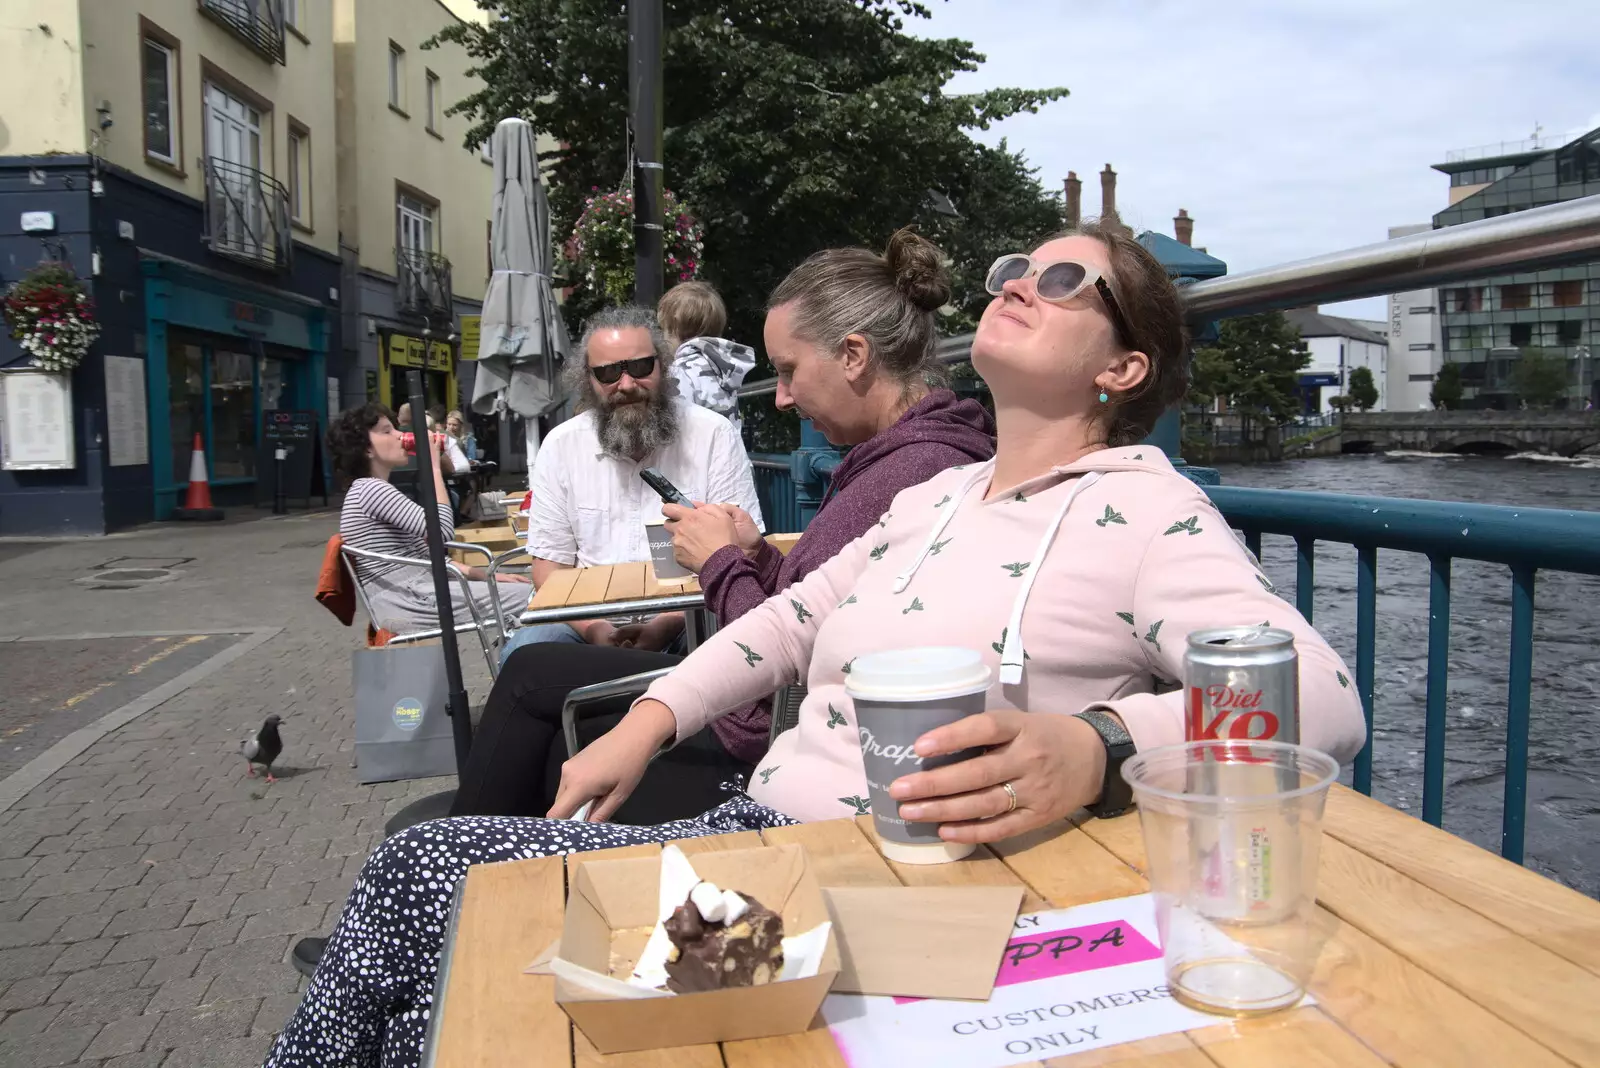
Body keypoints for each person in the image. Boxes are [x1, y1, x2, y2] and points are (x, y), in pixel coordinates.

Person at [264, 224, 1366, 1068]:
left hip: (865, 913)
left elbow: (1317, 696)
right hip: (767, 860)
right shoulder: (934, 494)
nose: (1022, 280)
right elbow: (786, 620)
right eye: (1020, 266)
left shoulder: (1146, 511)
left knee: (430, 893)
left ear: (1121, 370)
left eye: (1071, 282)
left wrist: (1099, 745)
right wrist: (646, 722)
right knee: (445, 976)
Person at [449, 228, 996, 822]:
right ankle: (492, 853)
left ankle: (466, 858)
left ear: (854, 356)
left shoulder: (914, 469)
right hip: (772, 715)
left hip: (770, 744)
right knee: (539, 692)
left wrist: (719, 561)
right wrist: (755, 554)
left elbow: (791, 647)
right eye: (610, 373)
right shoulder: (913, 456)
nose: (781, 398)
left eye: (787, 371)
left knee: (534, 688)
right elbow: (821, 600)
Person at [496, 306, 765, 659]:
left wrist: (666, 624)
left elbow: (743, 551)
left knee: (734, 651)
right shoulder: (562, 446)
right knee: (522, 657)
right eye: (607, 373)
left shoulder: (713, 434)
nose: (626, 385)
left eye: (640, 367)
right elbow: (549, 569)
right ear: (588, 380)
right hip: (585, 615)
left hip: (692, 612)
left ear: (663, 366)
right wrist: (594, 628)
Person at [328, 404, 529, 635]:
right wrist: (433, 467)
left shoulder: (369, 490)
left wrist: (491, 577)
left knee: (529, 593)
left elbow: (431, 558)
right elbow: (442, 532)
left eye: (395, 428)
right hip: (410, 600)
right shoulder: (370, 490)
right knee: (534, 597)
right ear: (366, 450)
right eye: (386, 432)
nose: (399, 436)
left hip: (412, 593)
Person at [658, 280, 757, 437]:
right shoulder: (723, 368)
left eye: (664, 330)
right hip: (727, 453)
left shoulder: (680, 372)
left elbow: (675, 427)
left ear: (673, 328)